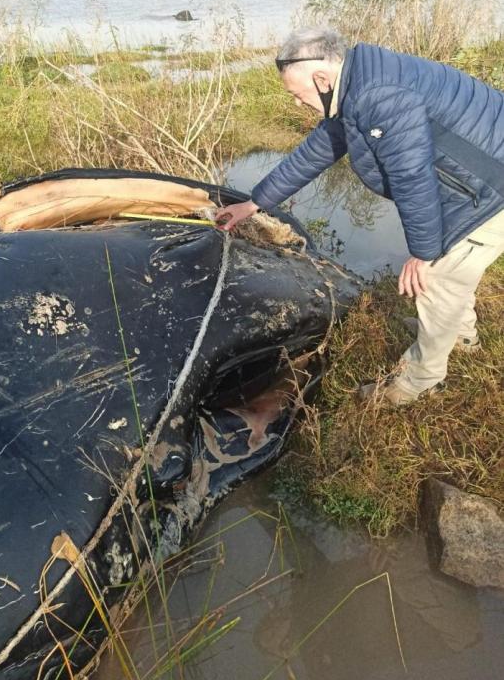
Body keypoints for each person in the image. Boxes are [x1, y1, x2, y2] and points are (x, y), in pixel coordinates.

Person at [215, 27, 504, 405]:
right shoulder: (358, 81)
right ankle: (460, 335)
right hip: (474, 179)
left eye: (297, 94)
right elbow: (321, 147)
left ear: (321, 79)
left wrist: (423, 252)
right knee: (443, 273)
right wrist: (255, 202)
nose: (299, 104)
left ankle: (421, 382)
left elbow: (411, 175)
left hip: (489, 189)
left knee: (438, 279)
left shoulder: (378, 95)